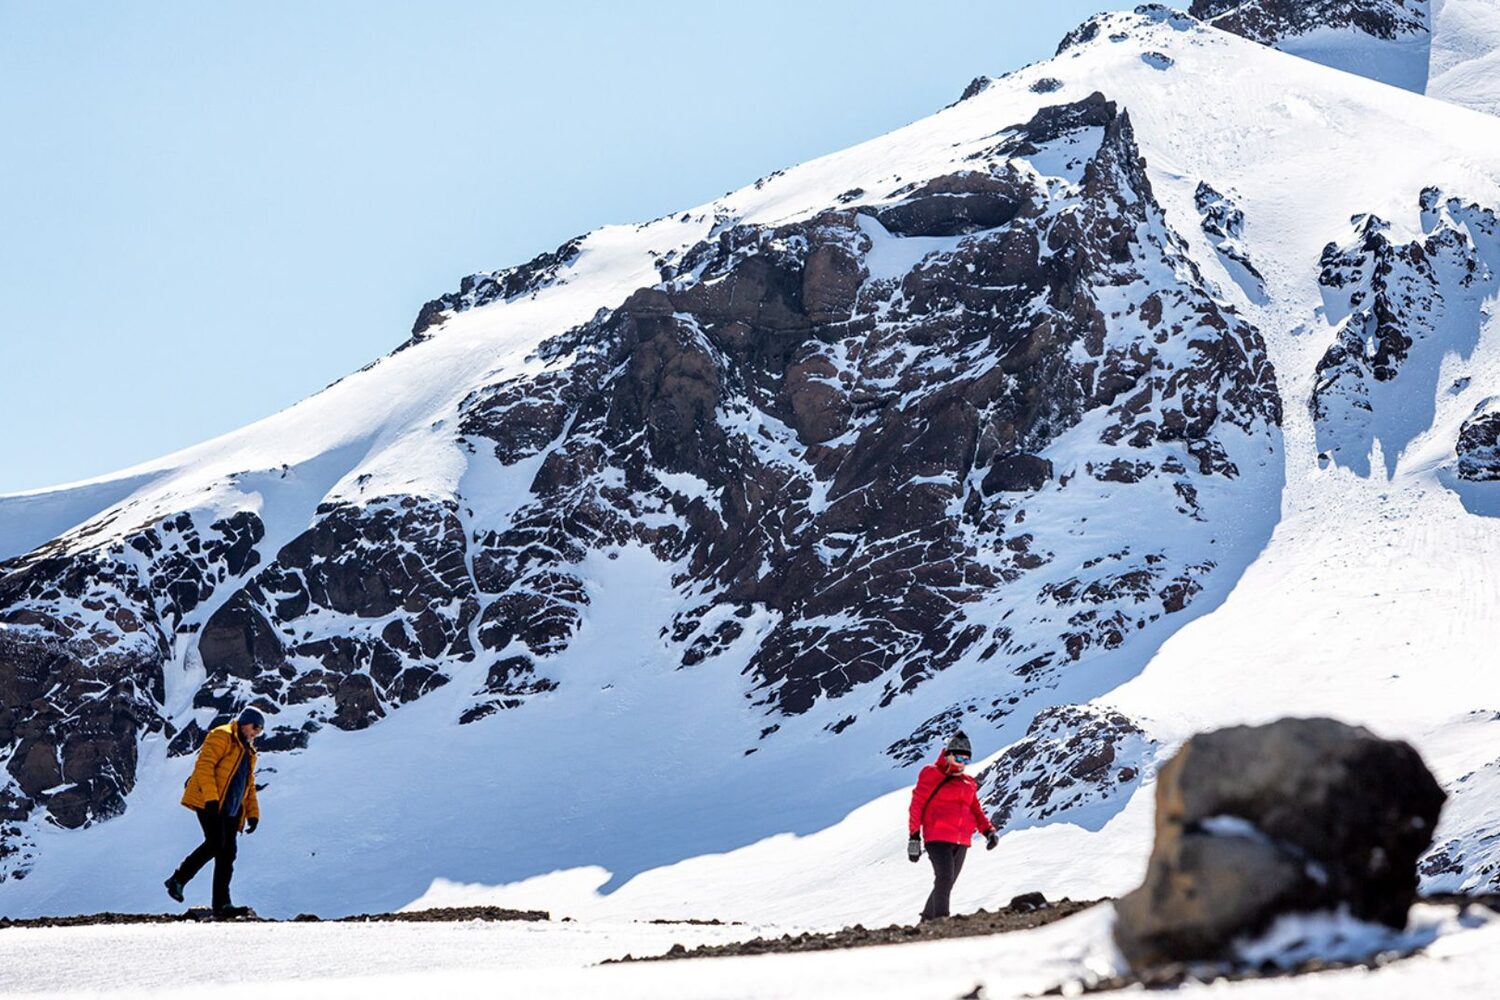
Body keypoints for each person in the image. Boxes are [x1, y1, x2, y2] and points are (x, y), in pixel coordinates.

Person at [164, 707, 265, 917]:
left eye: (260, 730)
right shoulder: (222, 735)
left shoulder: (249, 752)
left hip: (231, 809)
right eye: (255, 727)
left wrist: (252, 814)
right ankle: (178, 879)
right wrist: (211, 798)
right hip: (209, 802)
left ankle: (222, 904)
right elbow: (205, 766)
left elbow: (248, 784)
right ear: (245, 722)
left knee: (228, 854)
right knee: (215, 843)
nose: (256, 732)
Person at [907, 730, 997, 922]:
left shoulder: (968, 782)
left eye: (966, 760)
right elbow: (917, 805)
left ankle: (927, 922)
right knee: (945, 879)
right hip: (937, 837)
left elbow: (976, 810)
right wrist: (914, 838)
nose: (962, 763)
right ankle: (942, 921)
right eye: (958, 758)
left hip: (962, 840)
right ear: (947, 755)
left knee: (946, 882)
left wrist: (989, 831)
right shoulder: (931, 773)